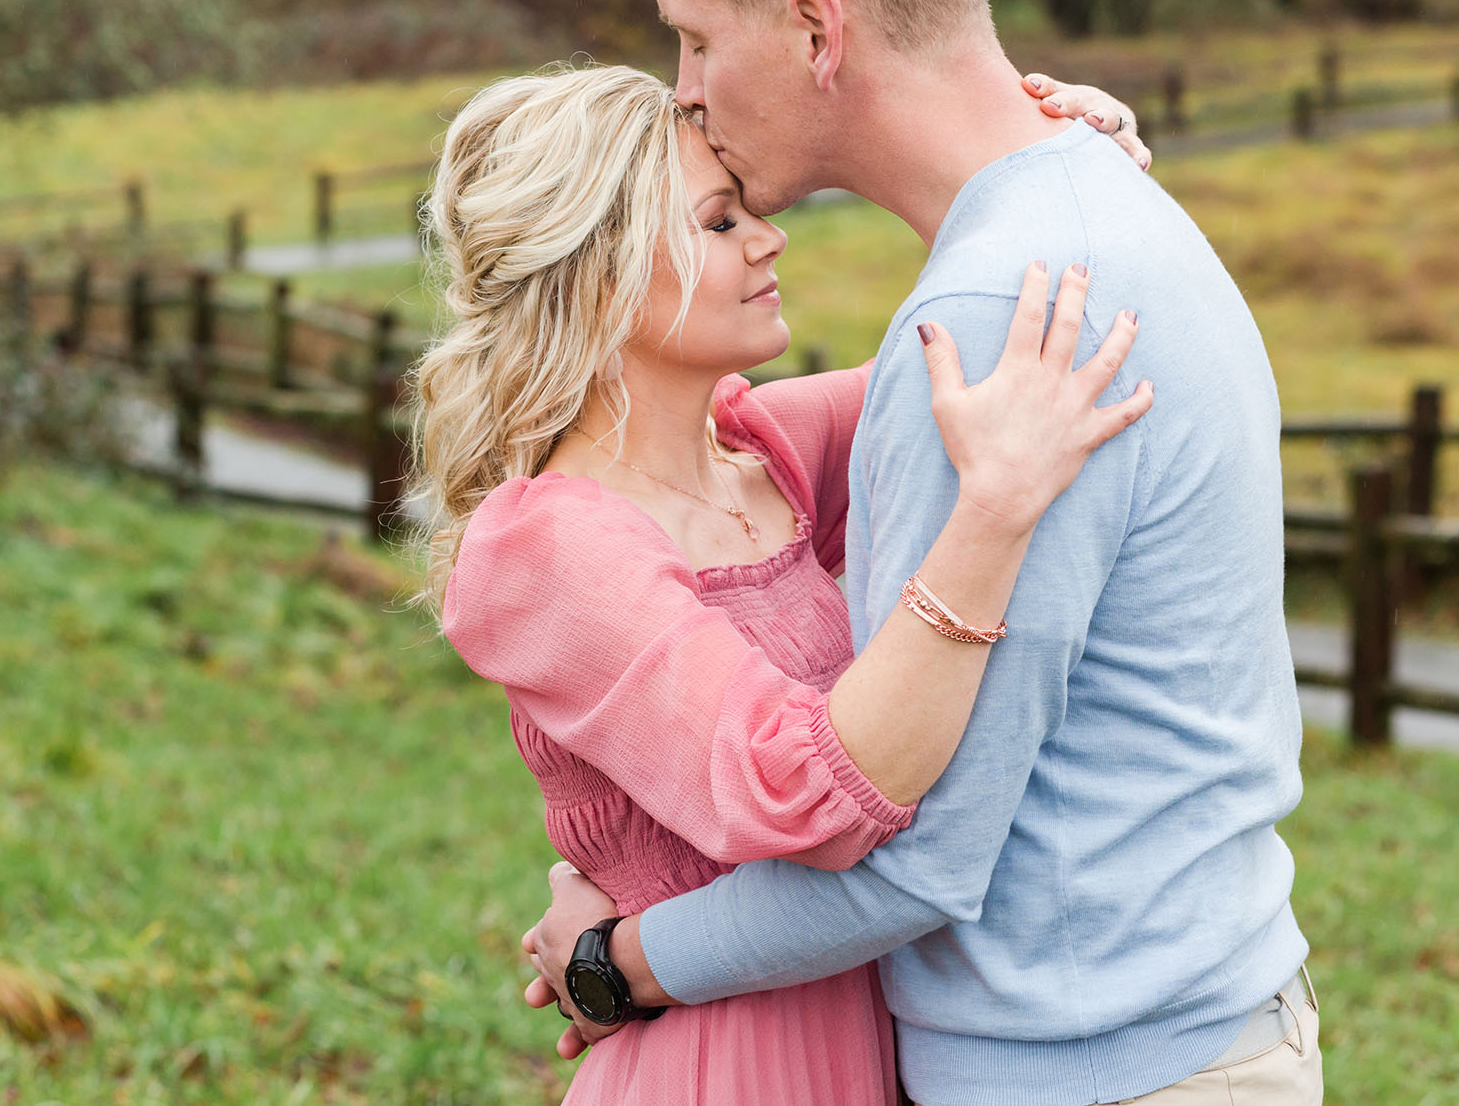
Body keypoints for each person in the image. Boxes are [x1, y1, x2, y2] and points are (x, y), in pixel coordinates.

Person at [511, 0, 1318, 1106]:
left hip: (1090, 1075)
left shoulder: (994, 318)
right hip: (1194, 1028)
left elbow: (911, 852)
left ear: (816, 27)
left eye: (699, 40)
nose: (689, 93)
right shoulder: (1090, 205)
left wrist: (616, 957)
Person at [422, 61, 1150, 1103]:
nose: (769, 238)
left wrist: (1064, 167)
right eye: (719, 223)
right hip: (725, 1070)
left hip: (874, 1039)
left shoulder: (762, 450)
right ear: (600, 275)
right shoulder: (544, 550)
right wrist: (991, 515)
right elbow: (797, 790)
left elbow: (977, 349)